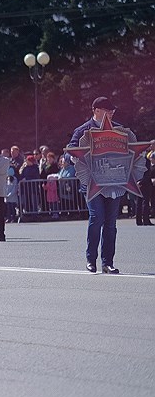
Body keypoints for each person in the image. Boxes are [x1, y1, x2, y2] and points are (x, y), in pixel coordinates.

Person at [72, 97, 135, 274]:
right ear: (96, 110)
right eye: (108, 110)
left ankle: (107, 262)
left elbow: (130, 148)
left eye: (112, 110)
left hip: (113, 183)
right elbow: (71, 148)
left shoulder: (119, 128)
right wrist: (75, 157)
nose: (112, 113)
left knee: (110, 224)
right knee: (96, 218)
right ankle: (90, 259)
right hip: (92, 184)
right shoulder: (83, 130)